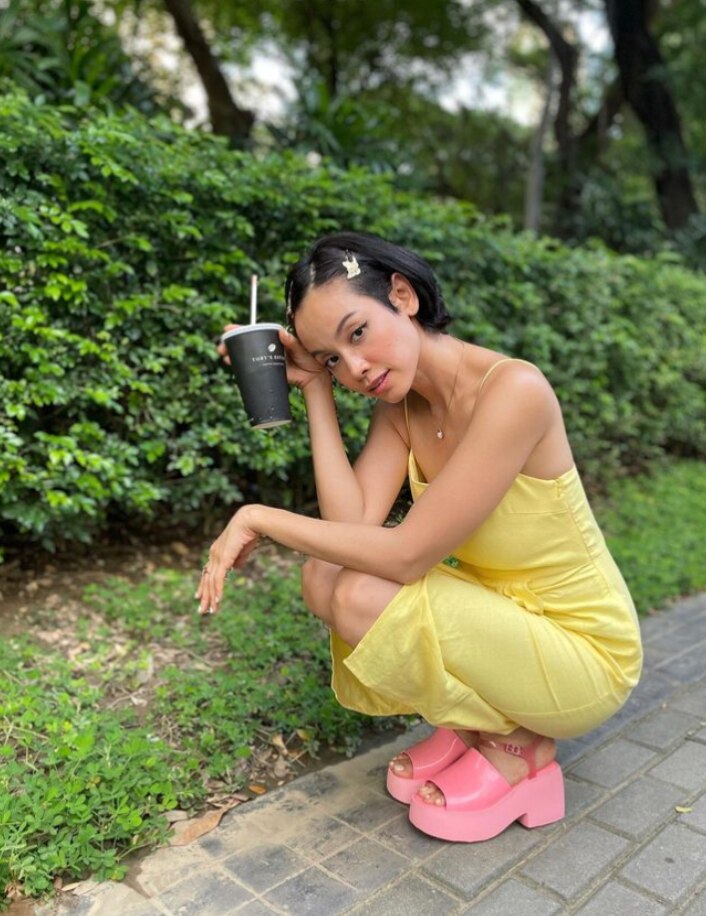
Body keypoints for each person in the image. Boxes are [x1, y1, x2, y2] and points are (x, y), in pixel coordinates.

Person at [197, 230, 643, 843]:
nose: (355, 368)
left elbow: (406, 557)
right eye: (332, 357)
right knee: (325, 576)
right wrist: (316, 392)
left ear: (402, 296)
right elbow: (350, 531)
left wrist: (258, 517)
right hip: (504, 619)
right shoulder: (402, 408)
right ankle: (482, 723)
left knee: (356, 593)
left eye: (357, 333)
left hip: (585, 652)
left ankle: (521, 742)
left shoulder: (514, 391)